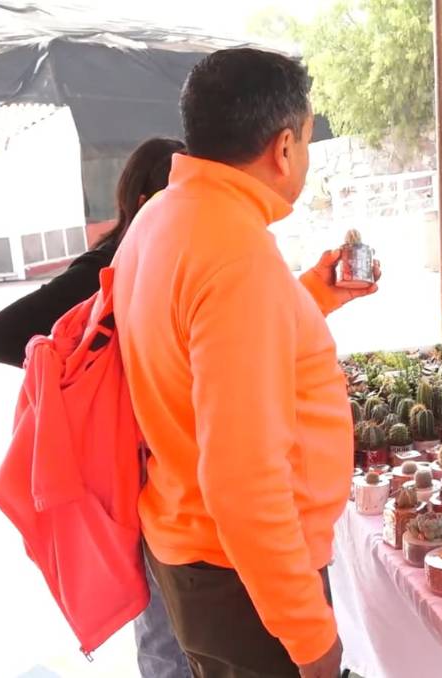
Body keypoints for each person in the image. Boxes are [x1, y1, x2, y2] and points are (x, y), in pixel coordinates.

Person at [112, 48, 376, 678]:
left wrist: (312, 295)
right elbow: (243, 480)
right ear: (284, 148)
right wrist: (311, 638)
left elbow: (195, 348)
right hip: (241, 576)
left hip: (197, 549)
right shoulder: (235, 255)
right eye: (307, 141)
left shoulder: (161, 217)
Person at [0, 137, 193, 678]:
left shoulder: (169, 262)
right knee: (164, 629)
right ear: (145, 203)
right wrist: (72, 373)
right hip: (130, 468)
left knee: (176, 622)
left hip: (162, 466)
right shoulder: (107, 269)